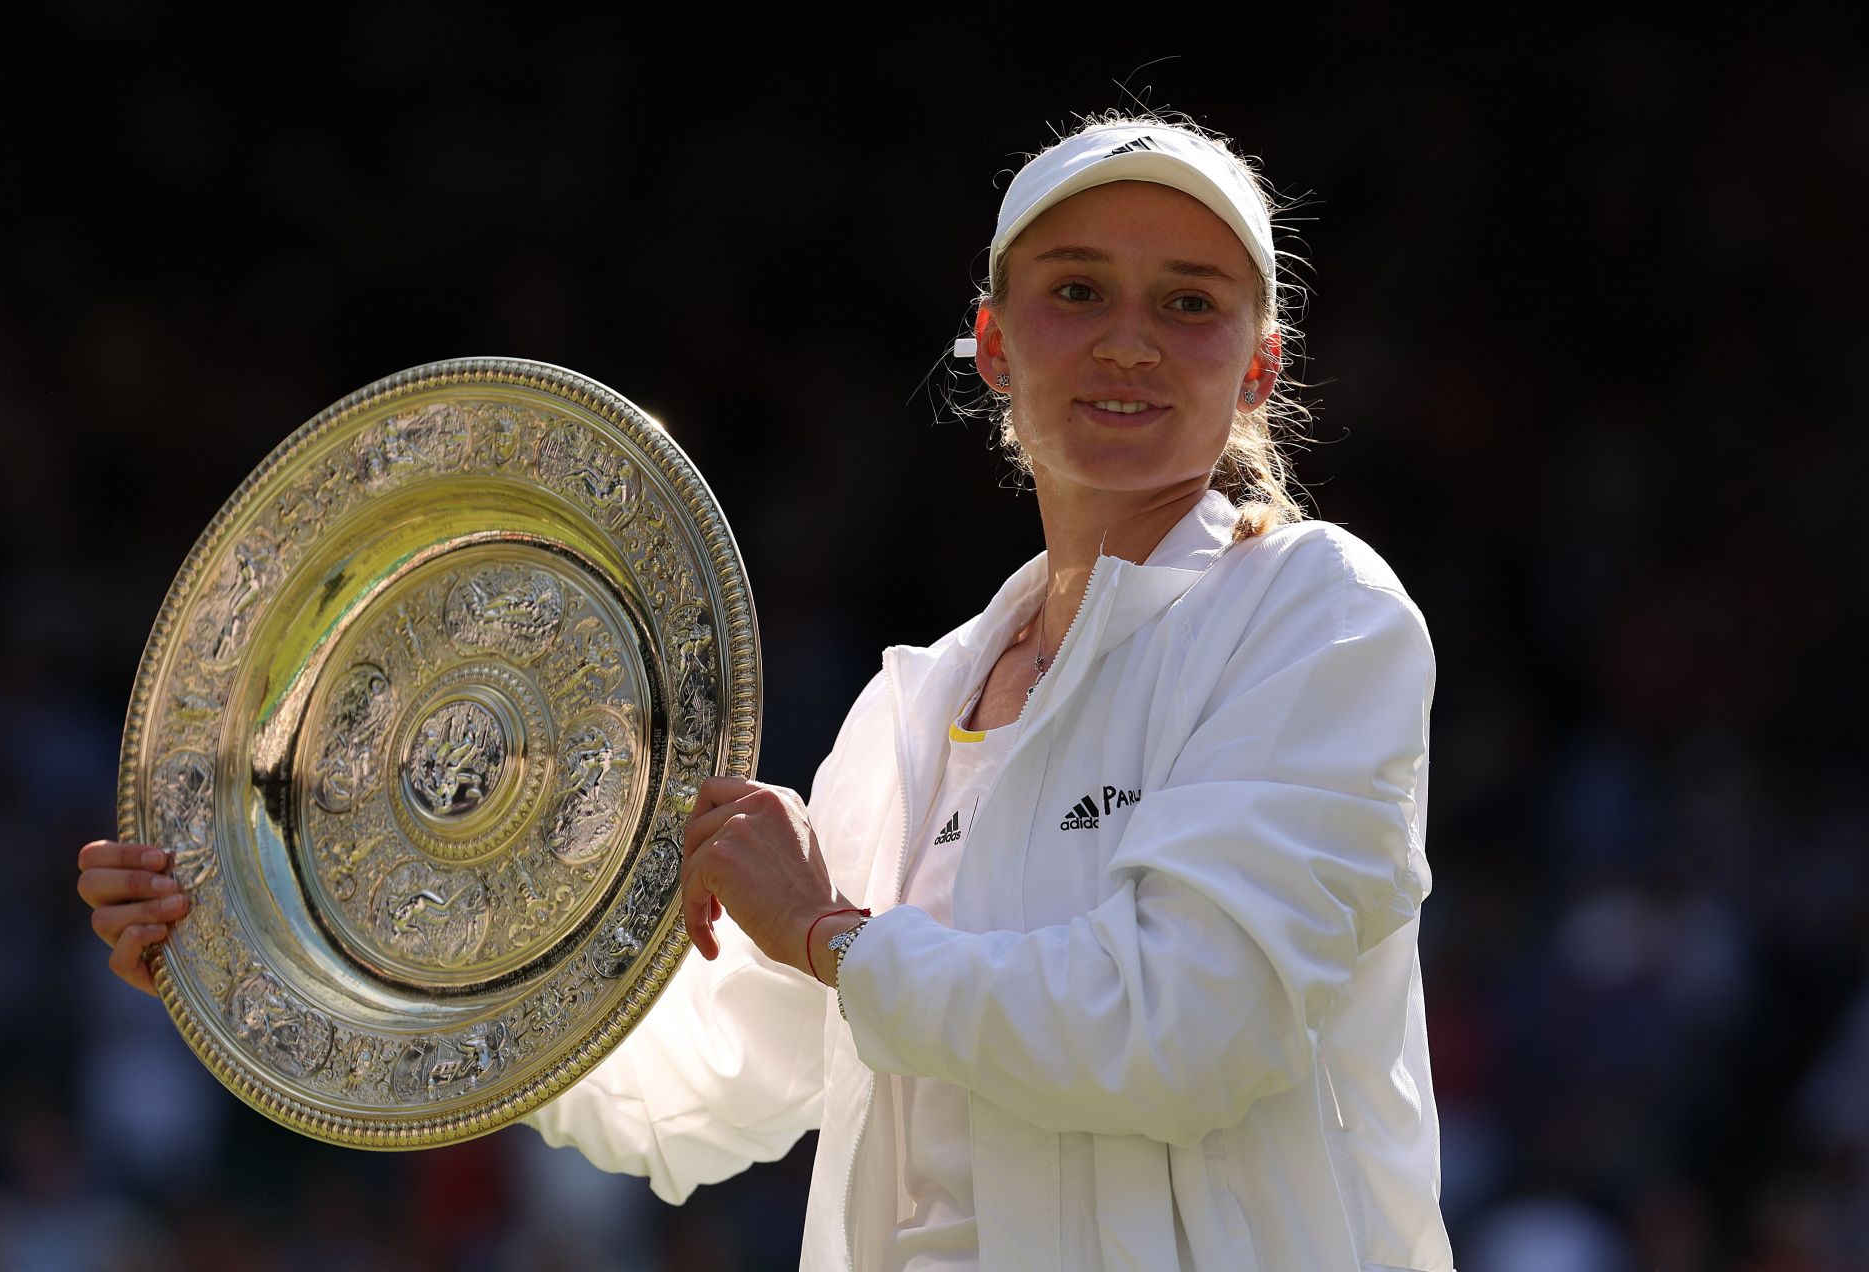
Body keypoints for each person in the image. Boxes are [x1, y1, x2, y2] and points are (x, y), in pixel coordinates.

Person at [79, 111, 1455, 1270]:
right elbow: (700, 1094)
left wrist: (831, 938)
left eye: (1192, 304)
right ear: (992, 343)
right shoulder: (914, 716)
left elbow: (1182, 1028)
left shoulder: (1318, 618)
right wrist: (294, 949)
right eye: (1077, 289)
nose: (1129, 341)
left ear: (1259, 367)